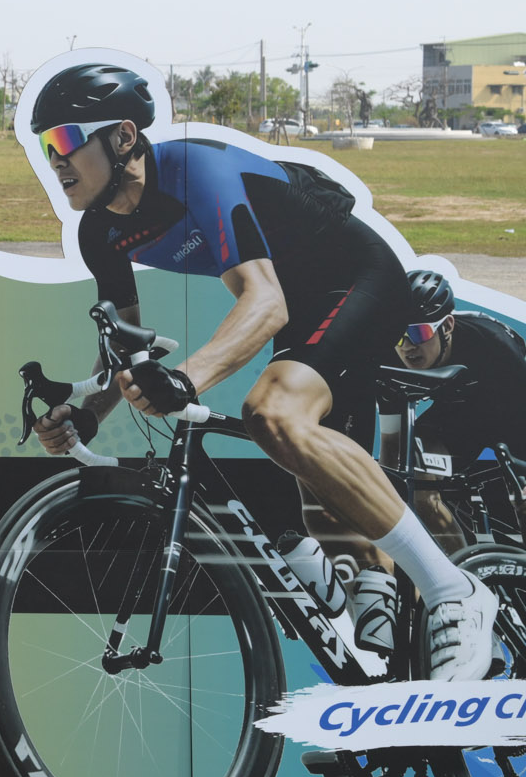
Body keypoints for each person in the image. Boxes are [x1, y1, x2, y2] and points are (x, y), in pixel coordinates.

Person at [25, 63, 497, 681]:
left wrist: (186, 379)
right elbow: (124, 345)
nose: (55, 161)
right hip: (302, 302)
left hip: (359, 277)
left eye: (65, 140)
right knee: (284, 439)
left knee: (272, 410)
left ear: (123, 136)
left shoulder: (196, 171)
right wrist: (86, 415)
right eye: (45, 146)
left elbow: (265, 302)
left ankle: (453, 590)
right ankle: (358, 586)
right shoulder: (100, 231)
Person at [396, 269, 526, 560]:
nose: (408, 346)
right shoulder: (392, 346)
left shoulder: (491, 344)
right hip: (455, 416)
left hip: (509, 418)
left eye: (419, 333)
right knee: (418, 478)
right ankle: (463, 576)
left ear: (447, 326)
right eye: (399, 335)